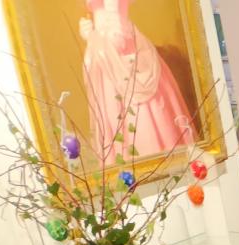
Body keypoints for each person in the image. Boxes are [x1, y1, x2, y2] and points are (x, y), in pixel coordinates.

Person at [80, 0, 195, 163]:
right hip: (108, 65)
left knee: (140, 123)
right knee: (118, 122)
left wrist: (93, 37)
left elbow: (117, 38)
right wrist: (91, 35)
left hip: (123, 61)